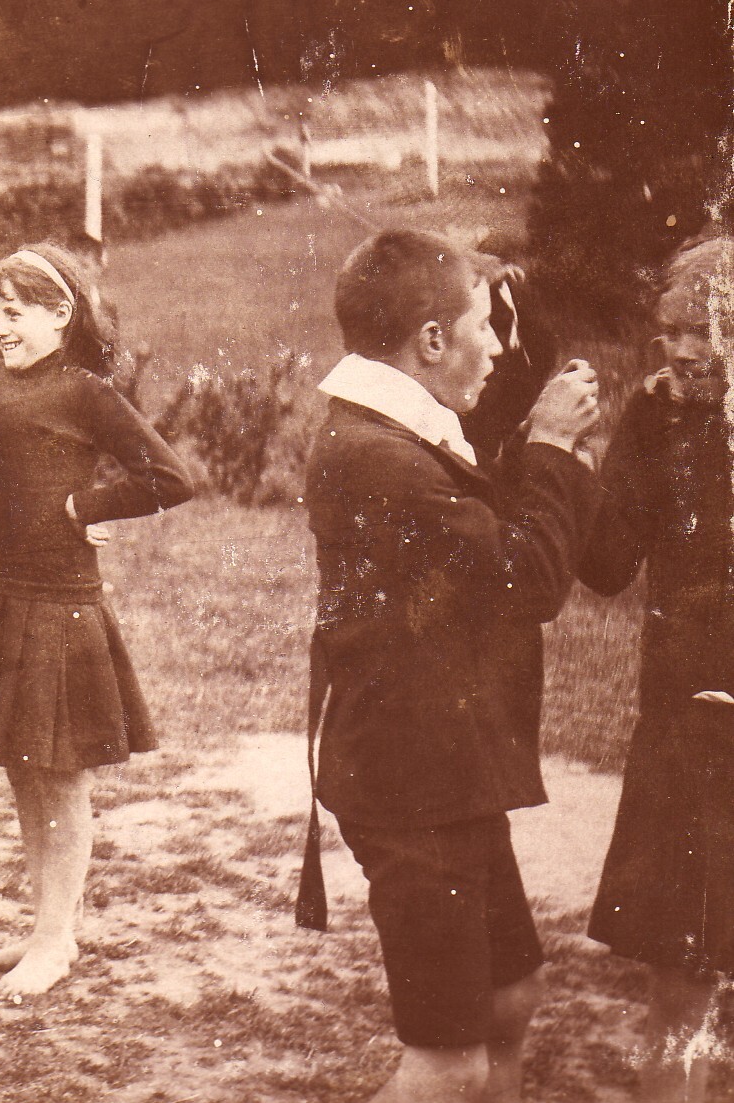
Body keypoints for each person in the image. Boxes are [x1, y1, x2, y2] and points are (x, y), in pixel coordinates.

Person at [299, 229, 602, 1102]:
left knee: (511, 998)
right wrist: (548, 445)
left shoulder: (396, 426)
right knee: (448, 1061)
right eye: (482, 326)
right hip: (413, 789)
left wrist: (511, 303)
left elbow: (480, 428)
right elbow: (530, 580)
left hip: (445, 775)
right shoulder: (375, 457)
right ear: (430, 341)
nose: (499, 346)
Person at [0, 244, 195, 999]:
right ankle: (47, 922)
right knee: (19, 763)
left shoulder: (84, 391)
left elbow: (172, 475)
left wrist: (85, 506)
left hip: (53, 598)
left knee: (58, 773)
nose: (0, 325)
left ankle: (55, 939)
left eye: (16, 311)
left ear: (61, 314)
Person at [576, 237, 734, 1103]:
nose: (684, 350)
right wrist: (575, 459)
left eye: (708, 331)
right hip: (684, 723)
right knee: (683, 967)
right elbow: (605, 564)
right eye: (671, 330)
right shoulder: (655, 417)